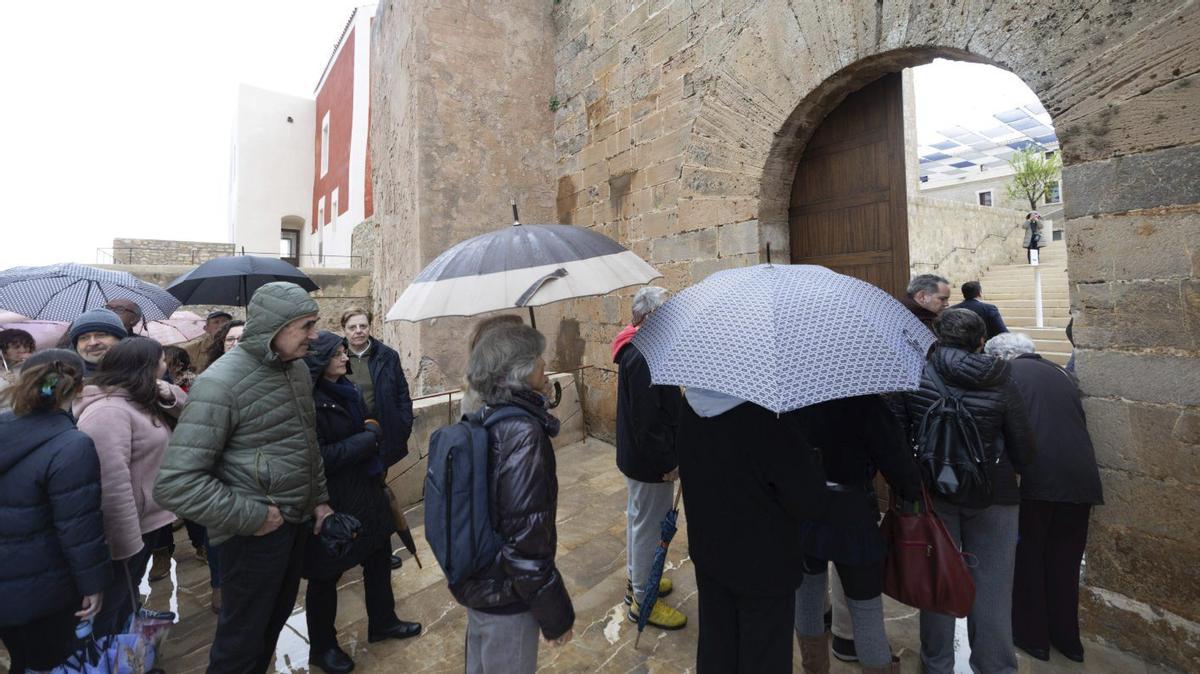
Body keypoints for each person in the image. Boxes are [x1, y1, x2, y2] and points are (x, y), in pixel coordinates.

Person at [153, 282, 333, 673]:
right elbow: (176, 484)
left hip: (294, 524)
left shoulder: (298, 370)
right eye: (307, 326)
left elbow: (306, 441)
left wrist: (318, 499)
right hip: (251, 537)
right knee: (239, 644)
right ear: (277, 327)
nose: (314, 335)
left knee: (269, 629)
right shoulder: (218, 384)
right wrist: (254, 517)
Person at [894, 308, 1036, 674]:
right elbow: (1024, 447)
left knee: (937, 578)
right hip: (994, 493)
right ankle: (996, 667)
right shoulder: (1001, 378)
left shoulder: (916, 374)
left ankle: (936, 665)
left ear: (938, 337)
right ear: (980, 341)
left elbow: (896, 435)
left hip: (934, 490)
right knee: (994, 588)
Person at [677, 386, 828, 672]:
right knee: (764, 657)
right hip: (765, 569)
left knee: (717, 648)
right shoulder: (768, 420)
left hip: (711, 557)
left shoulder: (690, 406)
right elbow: (811, 502)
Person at [452, 323, 574, 674]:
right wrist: (556, 617)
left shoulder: (489, 415)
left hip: (483, 585)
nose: (545, 366)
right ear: (519, 372)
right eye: (538, 360)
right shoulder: (521, 433)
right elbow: (526, 541)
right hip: (507, 596)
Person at [302, 332, 421, 673]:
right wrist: (367, 439)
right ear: (321, 361)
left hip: (367, 489)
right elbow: (319, 456)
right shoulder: (310, 401)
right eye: (337, 353)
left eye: (343, 351)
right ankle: (322, 648)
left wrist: (369, 433)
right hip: (335, 499)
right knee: (326, 576)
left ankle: (383, 622)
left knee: (379, 556)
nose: (344, 357)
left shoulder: (348, 390)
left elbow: (368, 422)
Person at [985, 332, 1103, 664]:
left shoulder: (1005, 374)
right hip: (1080, 480)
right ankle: (1069, 641)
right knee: (1064, 562)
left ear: (1003, 355)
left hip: (1036, 480)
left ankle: (1033, 637)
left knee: (1028, 557)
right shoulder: (1062, 373)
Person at [0, 350, 111, 672]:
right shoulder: (71, 445)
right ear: (79, 388)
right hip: (44, 588)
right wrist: (93, 584)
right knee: (49, 660)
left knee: (21, 658)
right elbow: (78, 528)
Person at [793, 395, 921, 674]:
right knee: (865, 610)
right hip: (853, 516)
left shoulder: (798, 399)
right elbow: (898, 464)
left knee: (807, 599)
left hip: (806, 510)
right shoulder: (867, 404)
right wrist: (910, 492)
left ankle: (814, 669)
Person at [74, 337, 187, 637]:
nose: (165, 365)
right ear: (147, 367)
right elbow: (111, 485)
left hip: (147, 523)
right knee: (111, 608)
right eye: (161, 360)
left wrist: (167, 393)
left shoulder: (137, 399)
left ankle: (127, 653)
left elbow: (192, 415)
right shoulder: (108, 412)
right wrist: (125, 545)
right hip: (128, 533)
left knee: (127, 597)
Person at [611, 286, 686, 630]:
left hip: (639, 459)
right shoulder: (642, 356)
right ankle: (643, 600)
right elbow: (647, 420)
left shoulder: (642, 349)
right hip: (648, 463)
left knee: (639, 521)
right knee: (648, 528)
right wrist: (667, 461)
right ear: (651, 316)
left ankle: (637, 582)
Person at [340, 307, 414, 569]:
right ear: (344, 330)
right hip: (349, 440)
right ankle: (360, 548)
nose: (358, 331)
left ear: (370, 327)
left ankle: (379, 549)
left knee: (377, 494)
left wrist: (403, 425)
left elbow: (402, 394)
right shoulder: (336, 356)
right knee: (356, 496)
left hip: (381, 438)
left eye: (362, 326)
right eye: (352, 327)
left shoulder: (386, 356)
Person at [67, 308, 128, 376]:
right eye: (84, 338)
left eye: (101, 335)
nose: (93, 343)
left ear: (121, 339)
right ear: (76, 345)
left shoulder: (139, 372)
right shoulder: (60, 376)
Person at [184, 310, 234, 374]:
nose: (222, 325)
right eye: (216, 322)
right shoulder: (190, 350)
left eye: (225, 321)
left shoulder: (238, 346)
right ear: (206, 328)